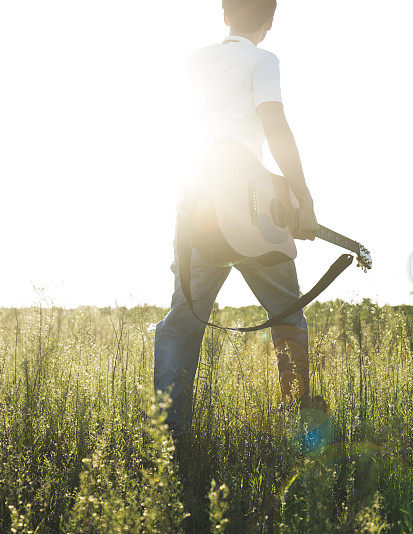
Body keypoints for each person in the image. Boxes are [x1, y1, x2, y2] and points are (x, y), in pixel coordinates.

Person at [154, 0, 321, 442]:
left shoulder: (192, 62)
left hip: (197, 207)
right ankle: (297, 417)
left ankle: (170, 433)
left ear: (225, 14)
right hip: (250, 212)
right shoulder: (263, 60)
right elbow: (276, 127)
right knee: (287, 313)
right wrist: (302, 197)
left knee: (184, 319)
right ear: (269, 23)